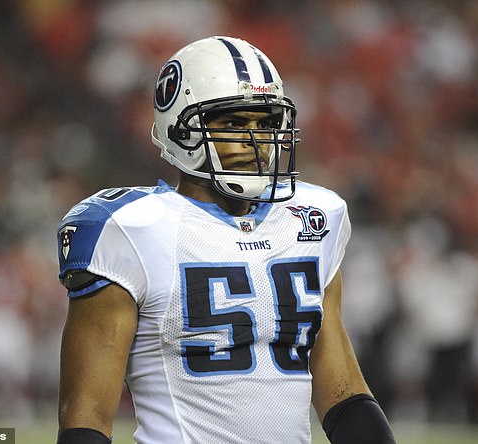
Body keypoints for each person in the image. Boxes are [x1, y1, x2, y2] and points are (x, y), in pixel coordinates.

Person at [55, 36, 395, 444]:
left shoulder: (315, 219)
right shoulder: (130, 229)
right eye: (234, 123)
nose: (257, 141)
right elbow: (86, 415)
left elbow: (343, 389)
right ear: (181, 129)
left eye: (266, 122)